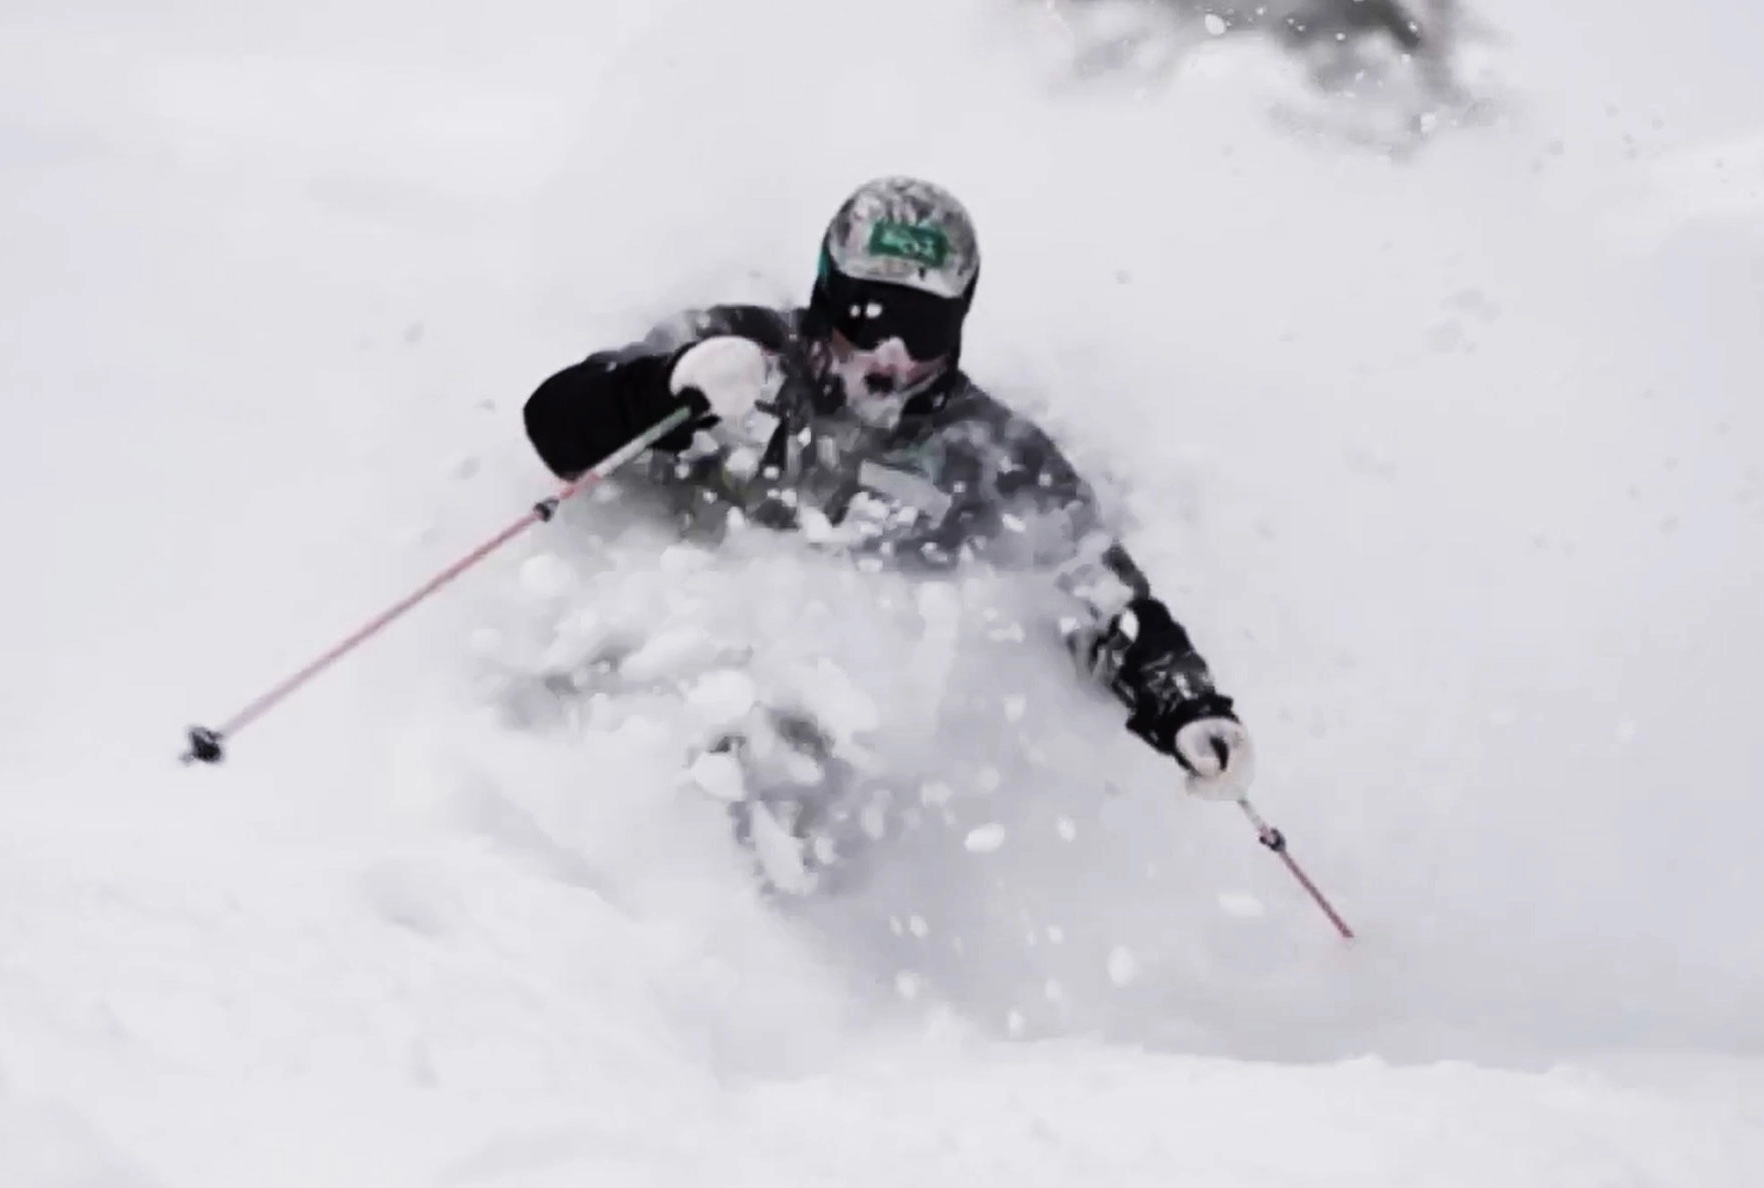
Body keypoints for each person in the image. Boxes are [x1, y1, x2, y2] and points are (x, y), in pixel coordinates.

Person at [521, 176, 1254, 888]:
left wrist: (1183, 705)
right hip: (641, 649)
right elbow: (555, 424)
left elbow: (1094, 587)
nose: (894, 356)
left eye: (925, 326)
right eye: (871, 317)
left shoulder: (985, 453)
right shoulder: (735, 350)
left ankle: (769, 942)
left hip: (811, 736)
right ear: (827, 293)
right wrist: (664, 387)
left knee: (800, 739)